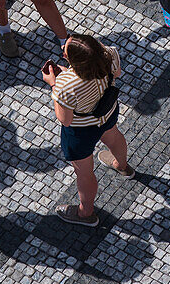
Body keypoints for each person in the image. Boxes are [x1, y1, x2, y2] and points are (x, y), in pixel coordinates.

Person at [42, 33, 132, 227]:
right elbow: (116, 74)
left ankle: (85, 213)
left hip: (81, 131)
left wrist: (53, 84)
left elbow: (65, 120)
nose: (62, 52)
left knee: (84, 172)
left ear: (74, 61)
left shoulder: (65, 85)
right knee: (114, 137)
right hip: (107, 113)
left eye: (65, 53)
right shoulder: (110, 53)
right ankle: (122, 166)